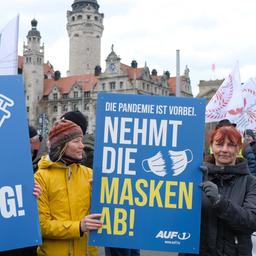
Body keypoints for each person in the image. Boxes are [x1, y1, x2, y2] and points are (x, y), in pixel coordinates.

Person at [180, 126, 256, 256]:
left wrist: (220, 202)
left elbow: (251, 222)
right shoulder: (195, 178)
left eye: (231, 145)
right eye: (219, 144)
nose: (224, 150)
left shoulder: (250, 182)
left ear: (238, 148)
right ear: (211, 147)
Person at [34, 119, 102, 256]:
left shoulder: (89, 175)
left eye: (81, 141)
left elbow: (104, 217)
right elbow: (42, 226)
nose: (82, 146)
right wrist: (79, 227)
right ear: (61, 146)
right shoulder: (41, 178)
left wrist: (101, 196)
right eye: (76, 141)